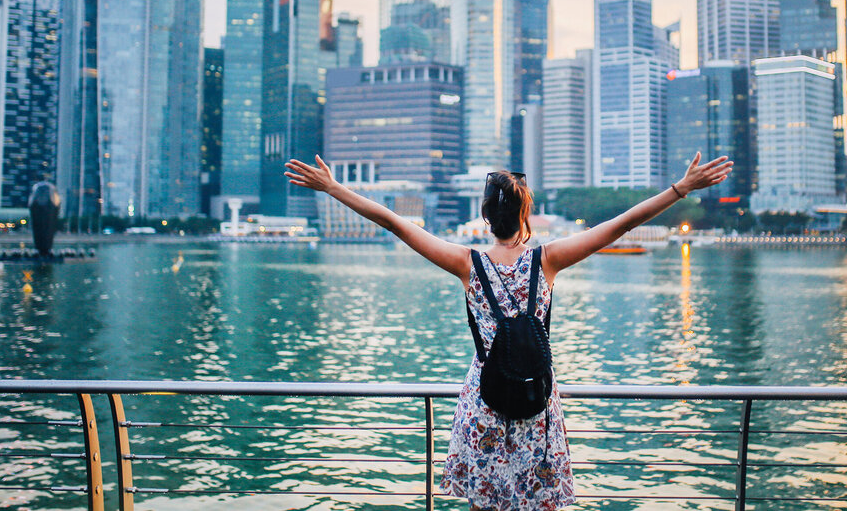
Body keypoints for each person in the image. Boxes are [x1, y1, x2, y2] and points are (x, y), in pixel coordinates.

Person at [284, 152, 733, 510]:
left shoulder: (465, 263)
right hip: (536, 406)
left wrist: (332, 187)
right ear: (526, 216)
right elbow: (621, 225)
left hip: (485, 403)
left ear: (485, 219)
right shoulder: (548, 260)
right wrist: (681, 188)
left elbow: (393, 223)